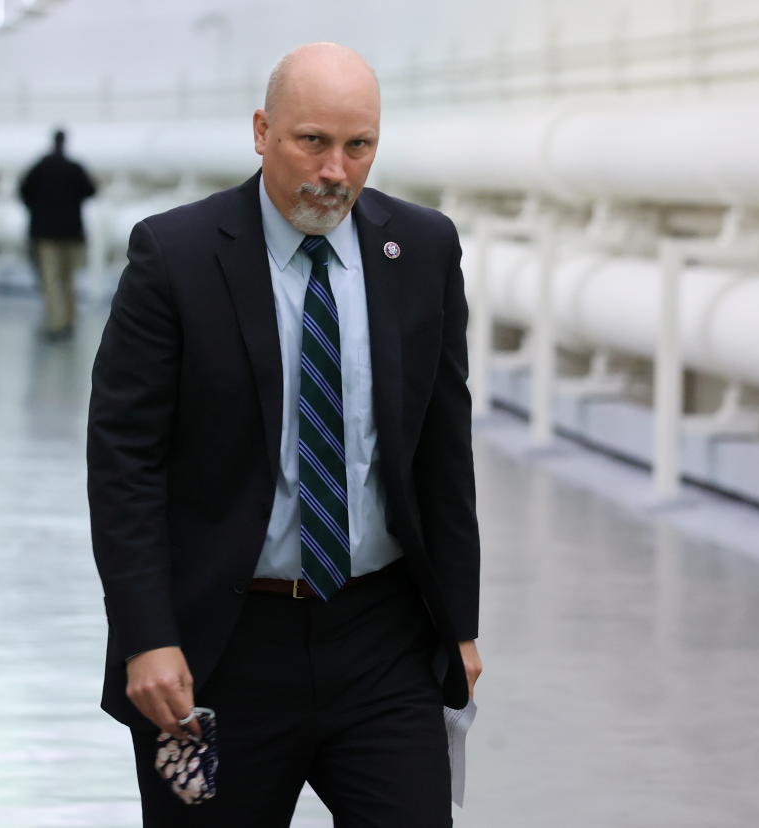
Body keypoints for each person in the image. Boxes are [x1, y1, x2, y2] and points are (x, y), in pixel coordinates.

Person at [87, 42, 482, 827]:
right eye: (313, 141)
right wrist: (147, 637)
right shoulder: (176, 256)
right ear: (263, 130)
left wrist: (460, 627)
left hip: (383, 641)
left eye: (358, 145)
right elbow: (124, 459)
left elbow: (444, 451)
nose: (336, 169)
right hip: (221, 652)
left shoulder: (422, 248)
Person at [18, 128, 97, 340]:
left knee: (51, 279)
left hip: (46, 234)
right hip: (72, 232)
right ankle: (70, 321)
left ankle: (55, 324)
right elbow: (91, 190)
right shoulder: (74, 168)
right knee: (68, 279)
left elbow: (23, 191)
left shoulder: (40, 167)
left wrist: (38, 209)